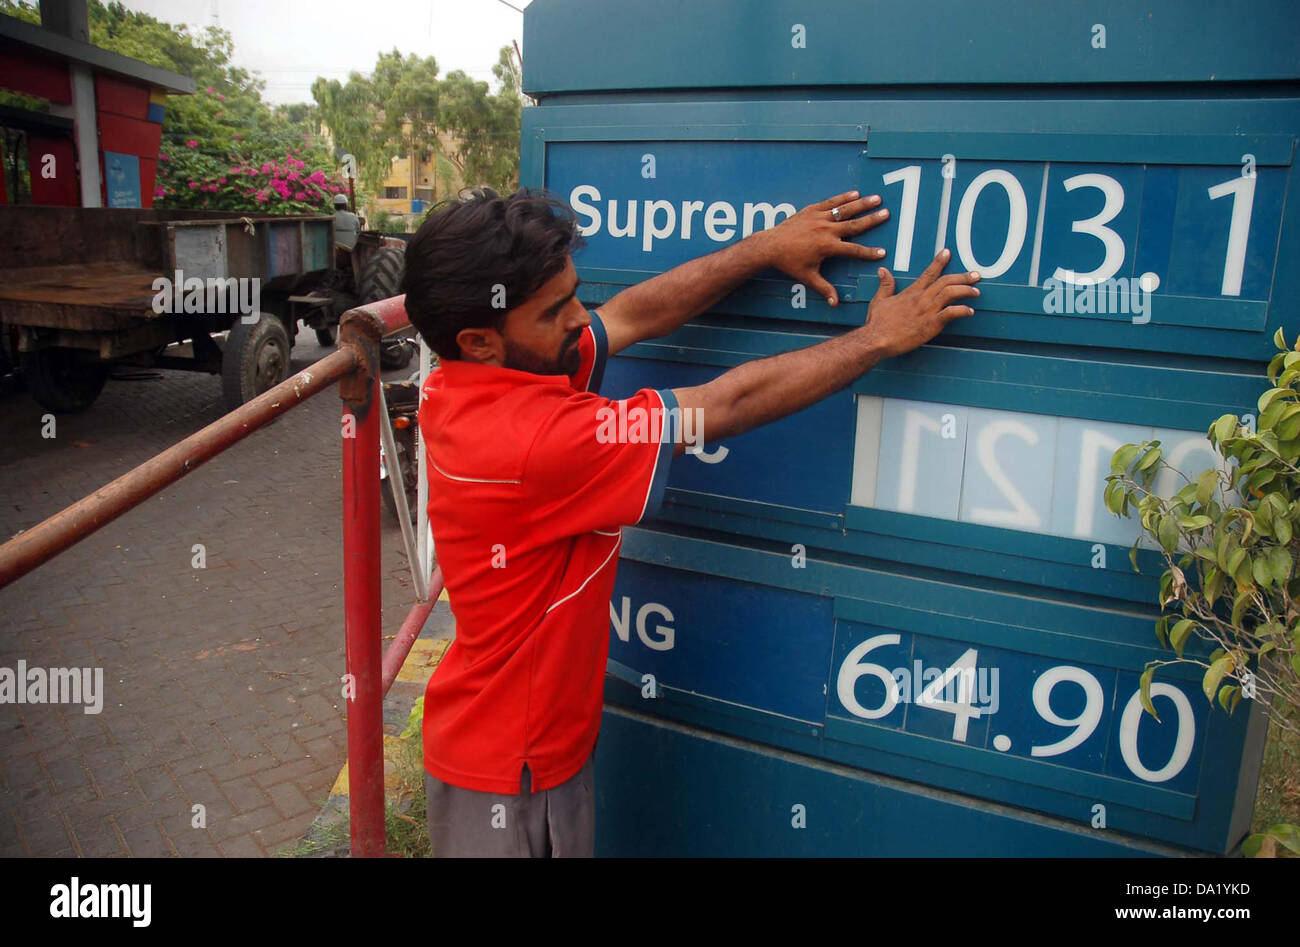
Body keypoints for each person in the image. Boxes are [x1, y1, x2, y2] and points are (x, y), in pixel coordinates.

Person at [400, 186, 981, 857]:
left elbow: (630, 315)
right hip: (509, 775)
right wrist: (877, 338)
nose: (579, 319)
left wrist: (766, 247)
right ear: (480, 339)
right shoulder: (539, 442)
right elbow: (726, 404)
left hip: (511, 746)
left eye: (573, 294)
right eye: (557, 310)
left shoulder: (482, 375)